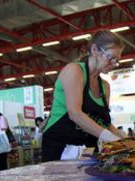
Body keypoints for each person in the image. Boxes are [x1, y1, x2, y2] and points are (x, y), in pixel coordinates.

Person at [41, 30, 126, 162]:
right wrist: (108, 136)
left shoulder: (105, 86)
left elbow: (104, 123)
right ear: (94, 50)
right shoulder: (74, 71)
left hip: (88, 151)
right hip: (60, 148)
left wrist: (125, 139)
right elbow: (75, 113)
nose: (114, 64)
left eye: (117, 60)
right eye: (111, 58)